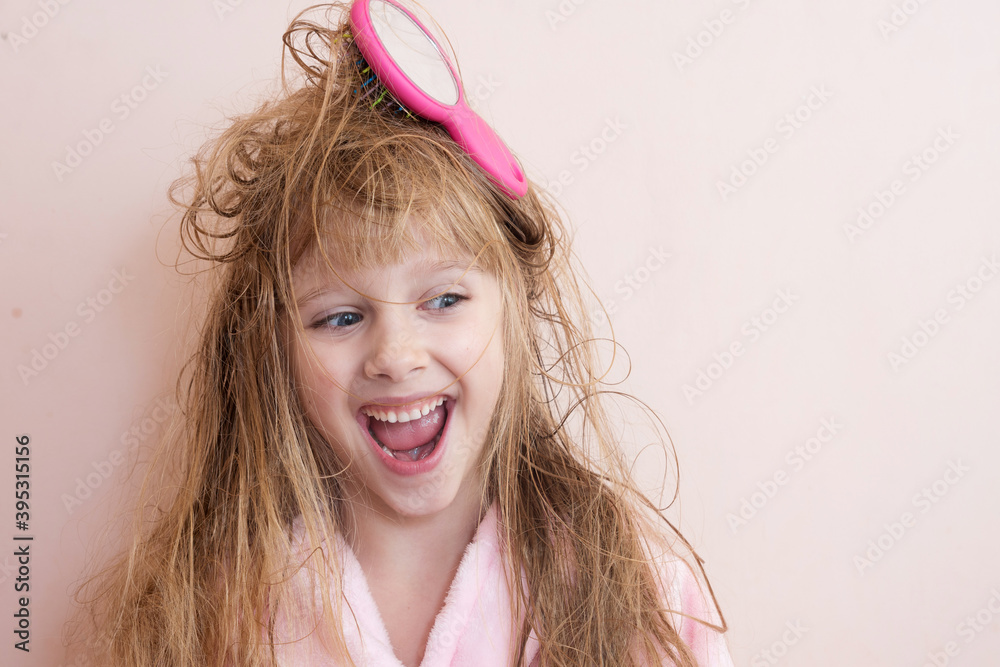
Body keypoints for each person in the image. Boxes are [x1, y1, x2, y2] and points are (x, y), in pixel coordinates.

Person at [71, 2, 734, 665]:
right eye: (339, 316)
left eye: (444, 298)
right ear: (276, 349)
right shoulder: (216, 614)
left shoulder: (632, 588)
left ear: (509, 312)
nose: (395, 355)